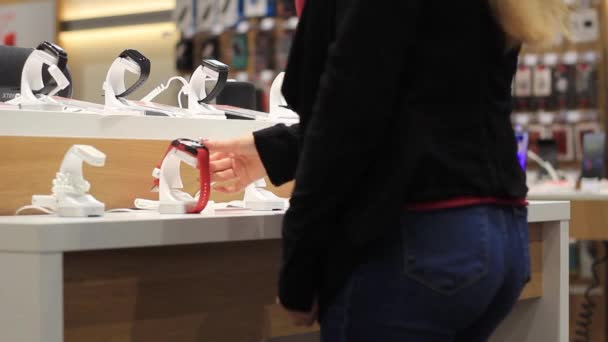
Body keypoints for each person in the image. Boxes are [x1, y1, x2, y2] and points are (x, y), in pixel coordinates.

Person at [205, 0, 569, 341]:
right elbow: (427, 97)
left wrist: (300, 271)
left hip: (416, 241)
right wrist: (274, 150)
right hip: (496, 235)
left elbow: (346, 117)